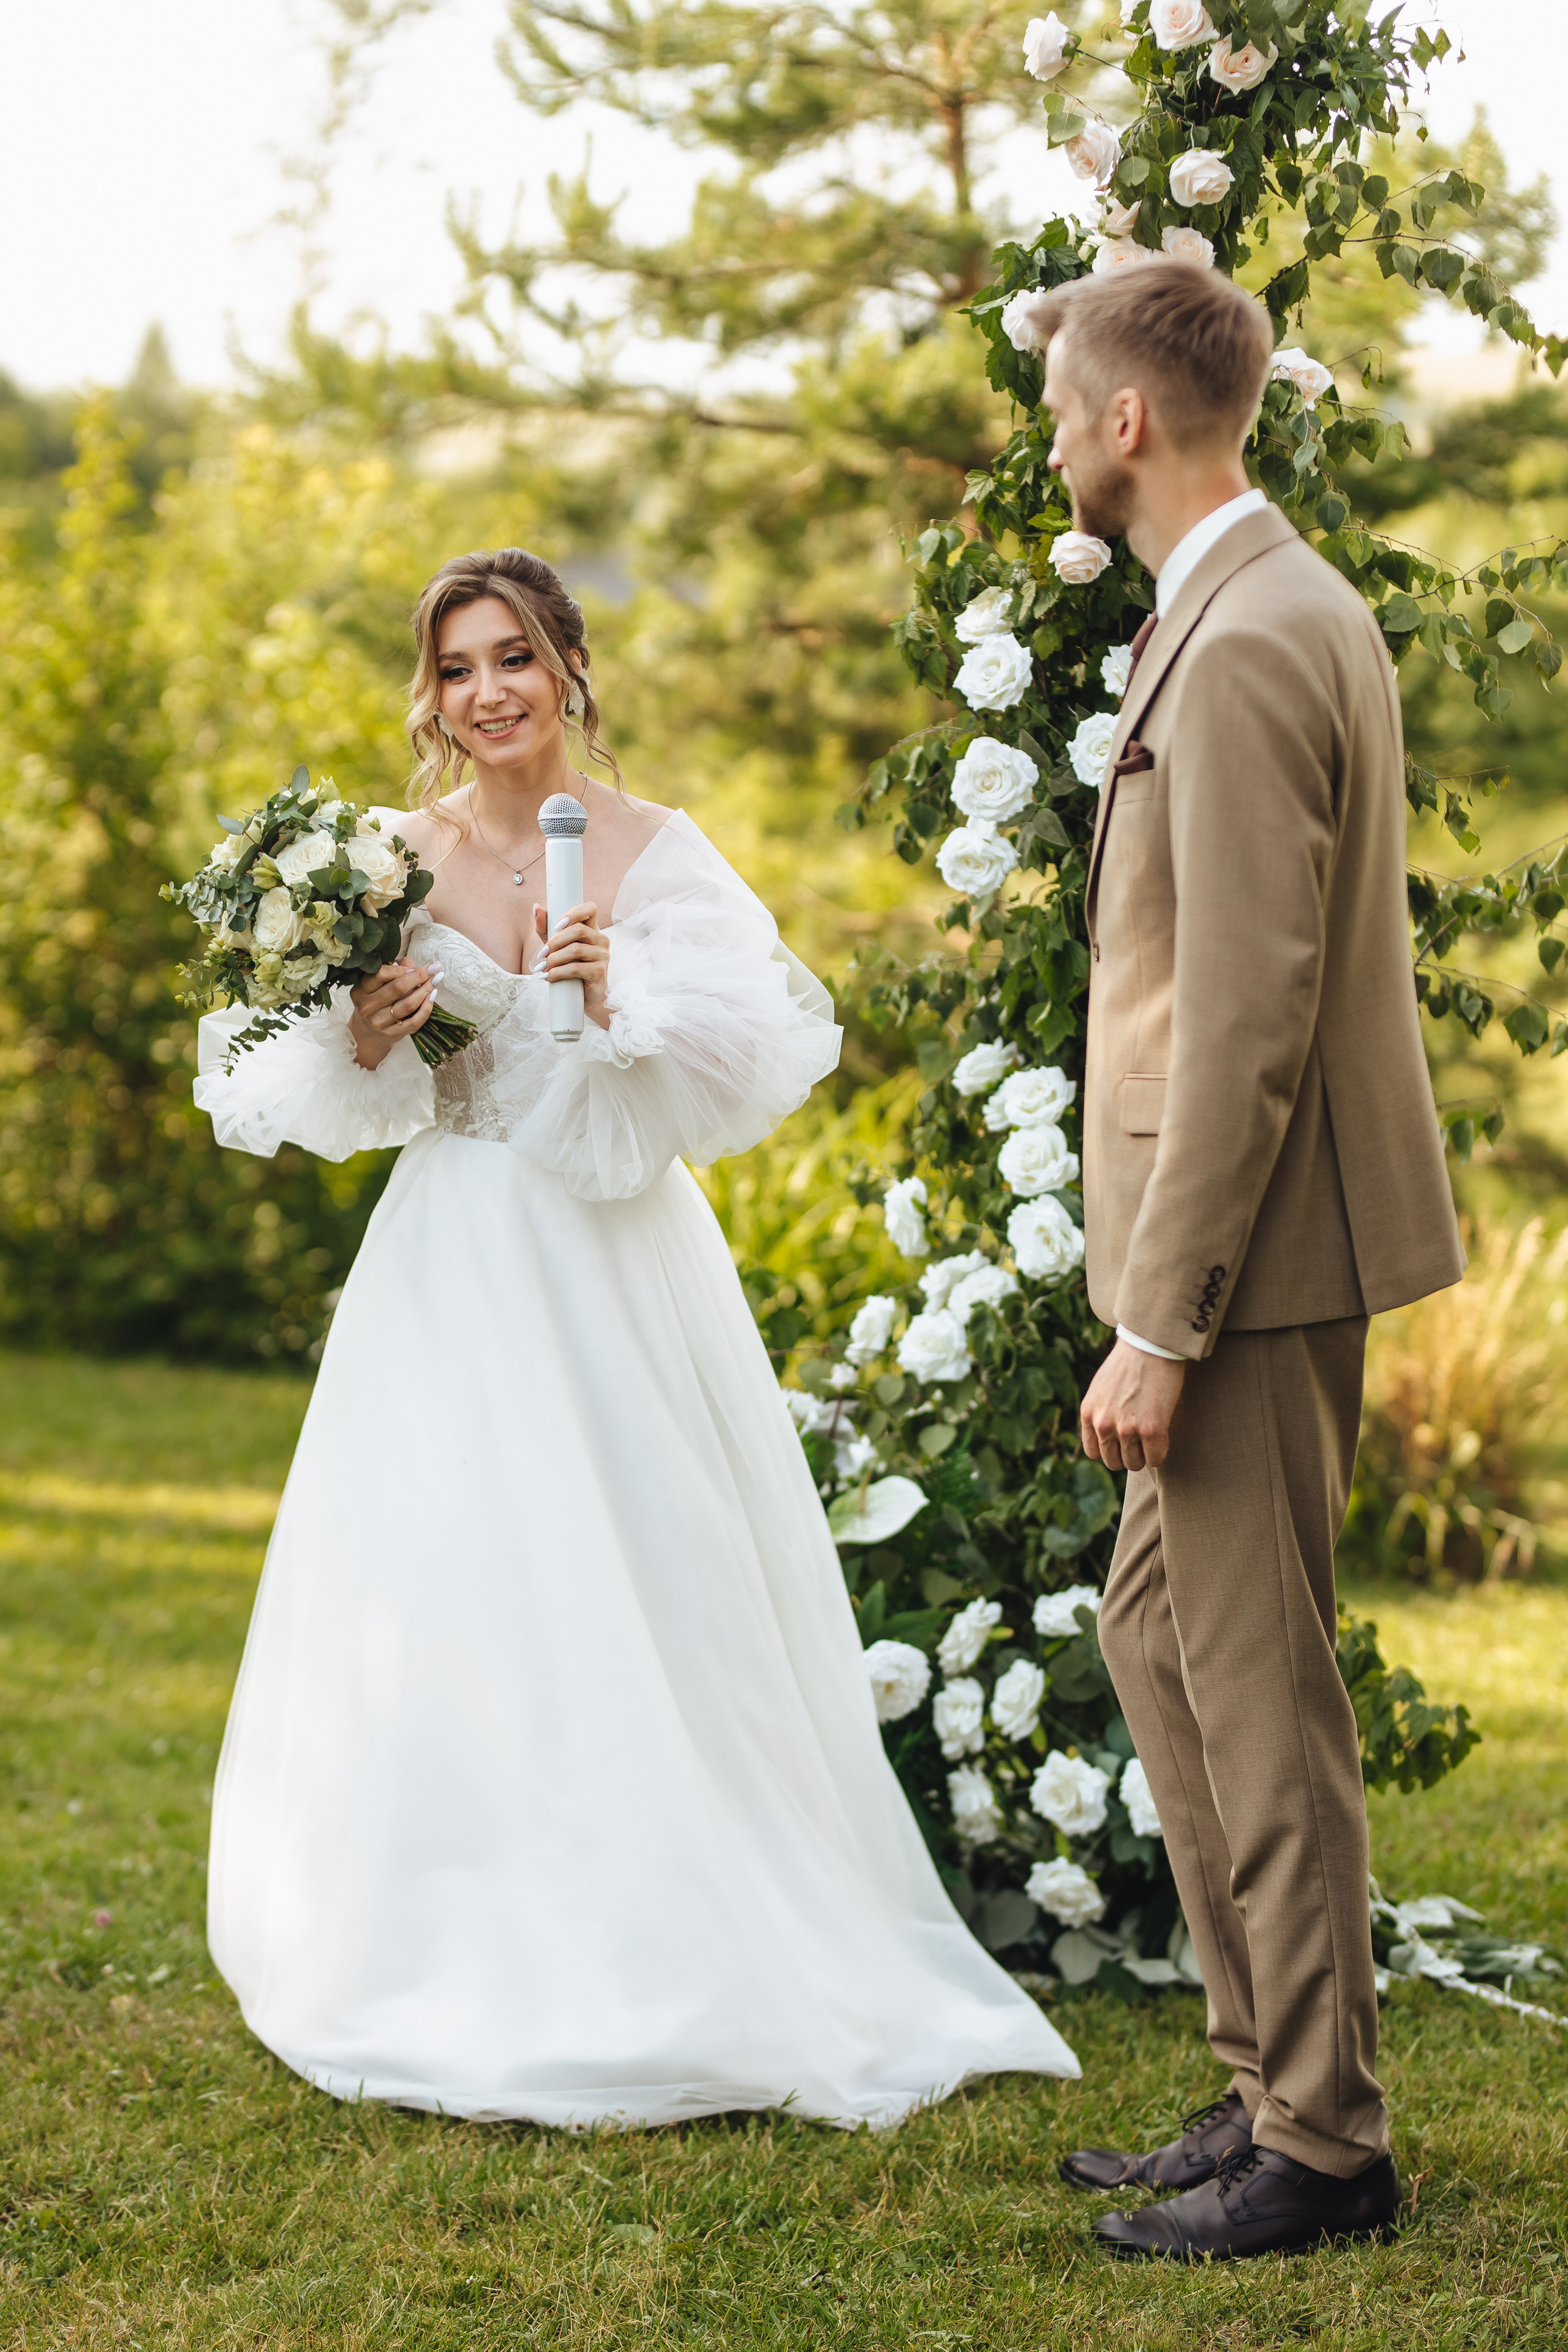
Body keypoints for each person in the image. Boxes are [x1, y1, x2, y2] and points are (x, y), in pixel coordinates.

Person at [192, 545, 1079, 2129]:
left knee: (641, 1570)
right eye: (457, 667)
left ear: (570, 669)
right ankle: (431, 1926)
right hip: (451, 1258)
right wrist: (367, 1038)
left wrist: (617, 1003)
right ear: (432, 693)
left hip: (611, 1258)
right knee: (446, 1575)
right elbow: (321, 1090)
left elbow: (744, 1064)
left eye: (513, 658)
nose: (487, 693)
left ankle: (677, 1931)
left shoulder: (656, 849)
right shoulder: (382, 860)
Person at [1030, 269, 1463, 2259]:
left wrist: (1161, 1320)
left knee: (1259, 1689)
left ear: (1129, 419)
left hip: (1250, 1268)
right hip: (1235, 1256)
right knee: (1160, 1638)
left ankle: (1325, 2148)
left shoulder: (1256, 632)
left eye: (1064, 402)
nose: (1054, 433)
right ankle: (1267, 2073)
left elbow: (1244, 1016)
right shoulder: (1242, 603)